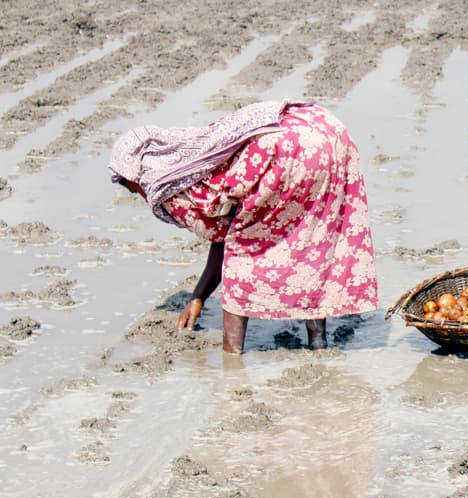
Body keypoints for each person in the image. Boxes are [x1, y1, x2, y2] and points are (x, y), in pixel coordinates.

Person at [109, 101, 378, 354]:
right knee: (312, 239)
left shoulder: (167, 185)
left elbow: (224, 239)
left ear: (140, 176)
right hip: (325, 130)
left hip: (284, 153)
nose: (143, 197)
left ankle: (232, 359)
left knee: (241, 255)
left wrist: (198, 297)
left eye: (135, 190)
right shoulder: (201, 146)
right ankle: (318, 342)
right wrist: (199, 295)